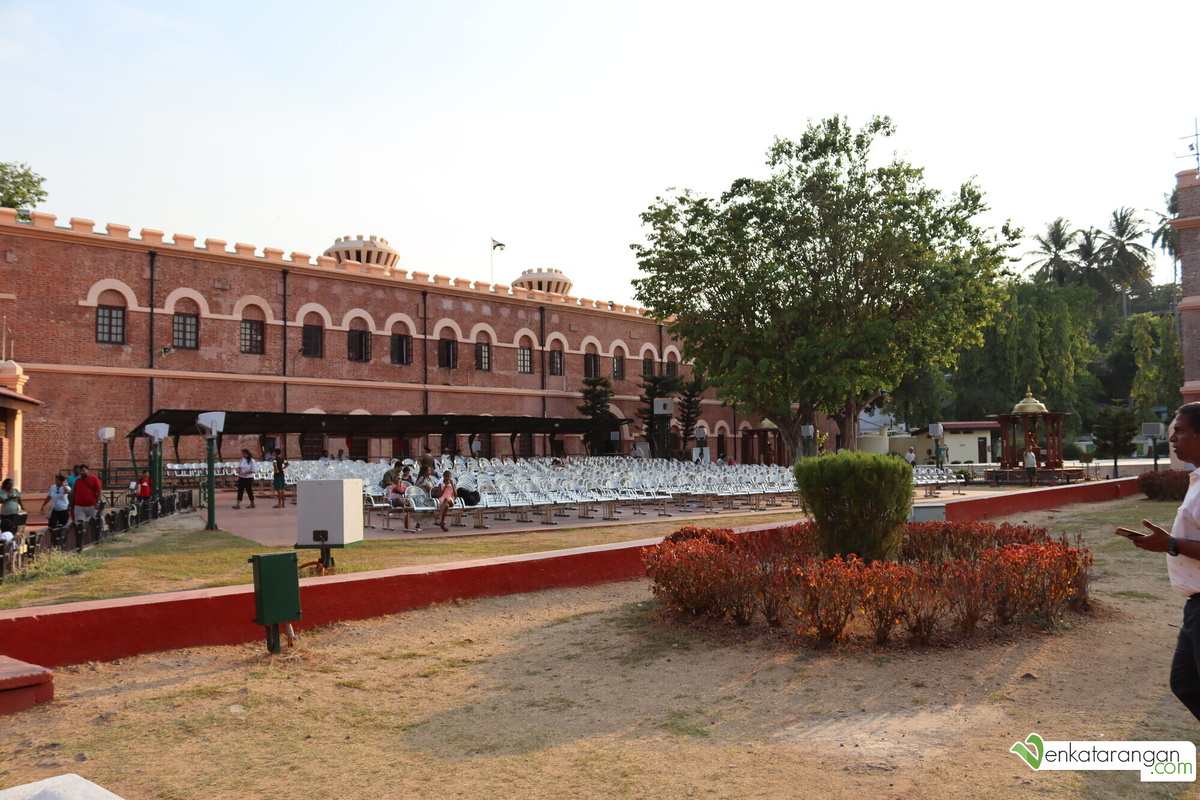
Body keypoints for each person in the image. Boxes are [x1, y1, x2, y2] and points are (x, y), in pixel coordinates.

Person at [1128, 402, 1200, 721]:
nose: (1172, 438)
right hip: (1194, 605)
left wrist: (1170, 543)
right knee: (1185, 683)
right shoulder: (1196, 481)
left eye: (1180, 431)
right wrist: (1168, 544)